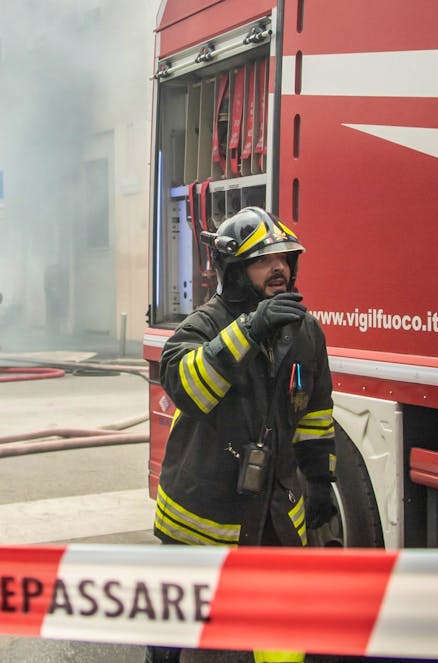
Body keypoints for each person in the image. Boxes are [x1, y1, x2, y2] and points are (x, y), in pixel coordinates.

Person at [147, 207, 336, 663]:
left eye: (286, 259)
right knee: (190, 639)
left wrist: (319, 481)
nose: (280, 269)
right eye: (264, 261)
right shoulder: (201, 328)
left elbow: (315, 411)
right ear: (233, 272)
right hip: (203, 515)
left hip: (273, 508)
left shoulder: (305, 330)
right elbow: (190, 388)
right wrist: (250, 330)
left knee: (276, 628)